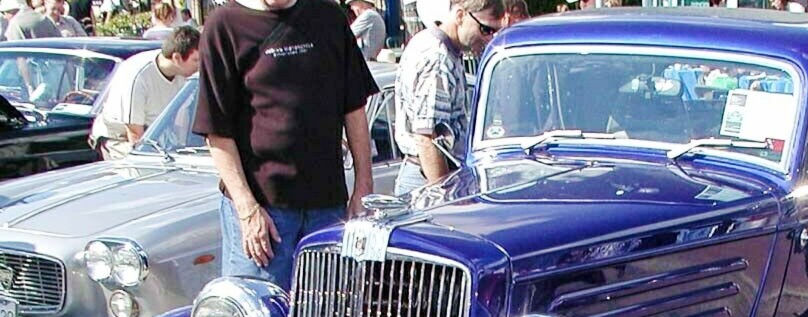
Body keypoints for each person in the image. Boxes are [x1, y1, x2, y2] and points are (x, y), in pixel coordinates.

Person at [192, 0, 378, 291]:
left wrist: (364, 186)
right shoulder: (224, 25)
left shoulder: (327, 16)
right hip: (264, 211)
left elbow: (354, 107)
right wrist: (247, 209)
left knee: (326, 308)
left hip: (327, 207)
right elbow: (216, 130)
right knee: (258, 311)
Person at [393, 0, 504, 195]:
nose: (489, 39)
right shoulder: (438, 59)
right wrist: (443, 197)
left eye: (495, 32)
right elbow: (427, 138)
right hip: (428, 179)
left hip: (427, 174)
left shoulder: (431, 43)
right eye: (485, 30)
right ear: (460, 16)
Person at [91, 26, 201, 159]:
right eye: (196, 60)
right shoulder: (138, 76)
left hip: (157, 136)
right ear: (177, 58)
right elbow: (134, 133)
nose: (199, 66)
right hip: (120, 138)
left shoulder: (184, 75)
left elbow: (180, 120)